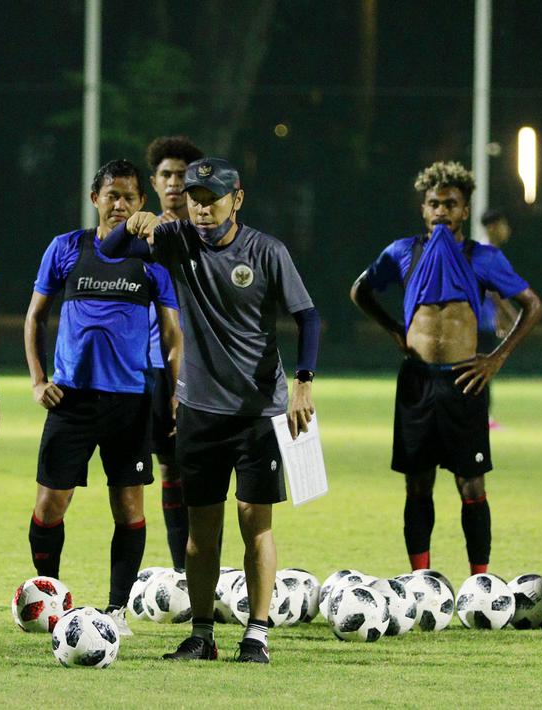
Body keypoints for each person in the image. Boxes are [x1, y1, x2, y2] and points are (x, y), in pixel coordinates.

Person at [104, 157, 320, 665]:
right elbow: (110, 251)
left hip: (258, 414)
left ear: (236, 199)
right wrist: (133, 223)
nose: (201, 208)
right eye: (194, 198)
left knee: (256, 523)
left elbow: (307, 317)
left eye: (212, 198)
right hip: (199, 410)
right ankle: (202, 635)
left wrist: (303, 385)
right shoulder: (175, 240)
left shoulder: (266, 251)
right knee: (202, 529)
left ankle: (257, 634)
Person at [350, 161, 542, 578]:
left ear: (464, 210)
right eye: (434, 204)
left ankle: (480, 582)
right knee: (416, 485)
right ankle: (421, 580)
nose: (441, 211)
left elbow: (534, 305)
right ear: (423, 209)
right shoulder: (402, 252)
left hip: (463, 380)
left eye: (450, 204)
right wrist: (393, 331)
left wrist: (497, 357)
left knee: (471, 486)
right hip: (417, 381)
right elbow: (360, 290)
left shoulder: (482, 258)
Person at [24, 159, 181, 637]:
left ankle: (116, 610)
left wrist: (173, 395)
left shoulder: (152, 261)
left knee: (129, 507)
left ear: (141, 205)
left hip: (130, 401)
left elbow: (173, 337)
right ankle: (52, 599)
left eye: (129, 197)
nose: (119, 204)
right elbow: (35, 318)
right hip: (70, 401)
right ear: (95, 198)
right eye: (111, 194)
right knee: (50, 506)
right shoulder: (66, 248)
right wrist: (37, 379)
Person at [144, 135, 203, 568]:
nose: (174, 183)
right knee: (167, 467)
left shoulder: (208, 237)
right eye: (166, 174)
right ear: (154, 180)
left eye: (183, 176)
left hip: (203, 364)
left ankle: (203, 567)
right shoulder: (143, 236)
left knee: (201, 471)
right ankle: (182, 572)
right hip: (152, 365)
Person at [477, 209, 517, 429]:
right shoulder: (487, 252)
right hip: (479, 323)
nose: (507, 230)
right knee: (483, 370)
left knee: (483, 370)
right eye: (504, 225)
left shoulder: (485, 251)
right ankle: (481, 418)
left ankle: (482, 416)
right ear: (493, 226)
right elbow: (493, 291)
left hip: (485, 321)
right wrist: (513, 317)